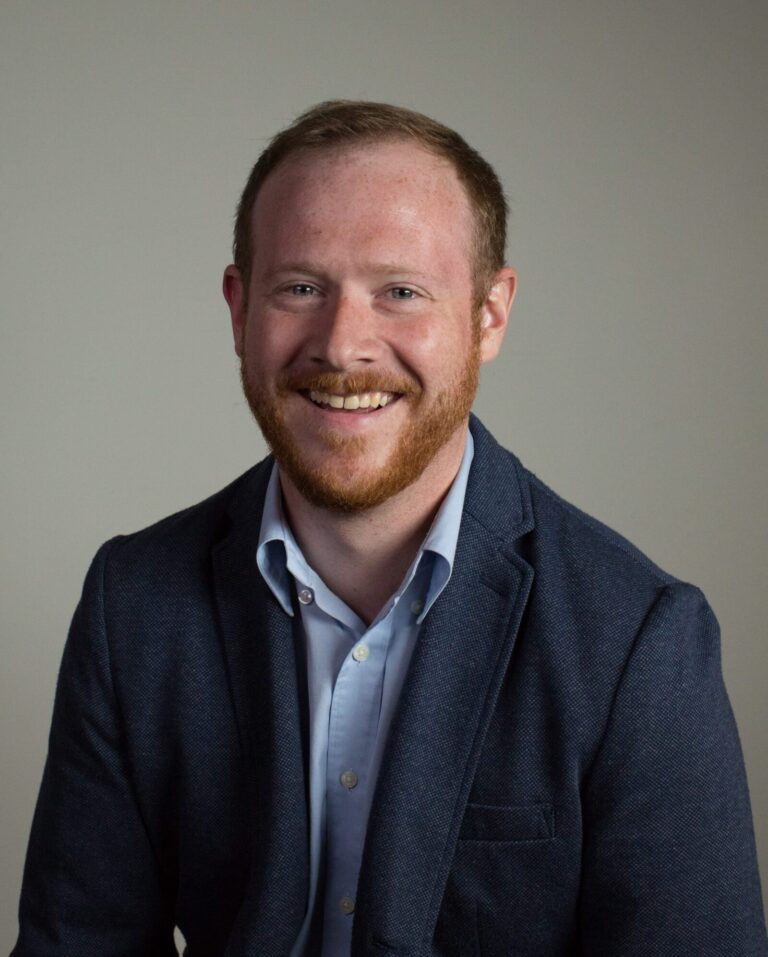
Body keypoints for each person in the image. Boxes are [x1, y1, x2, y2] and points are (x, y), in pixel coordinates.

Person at [12, 101, 767, 957]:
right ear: (239, 308)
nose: (343, 346)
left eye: (400, 292)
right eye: (301, 288)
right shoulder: (133, 604)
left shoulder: (636, 641)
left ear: (489, 314)